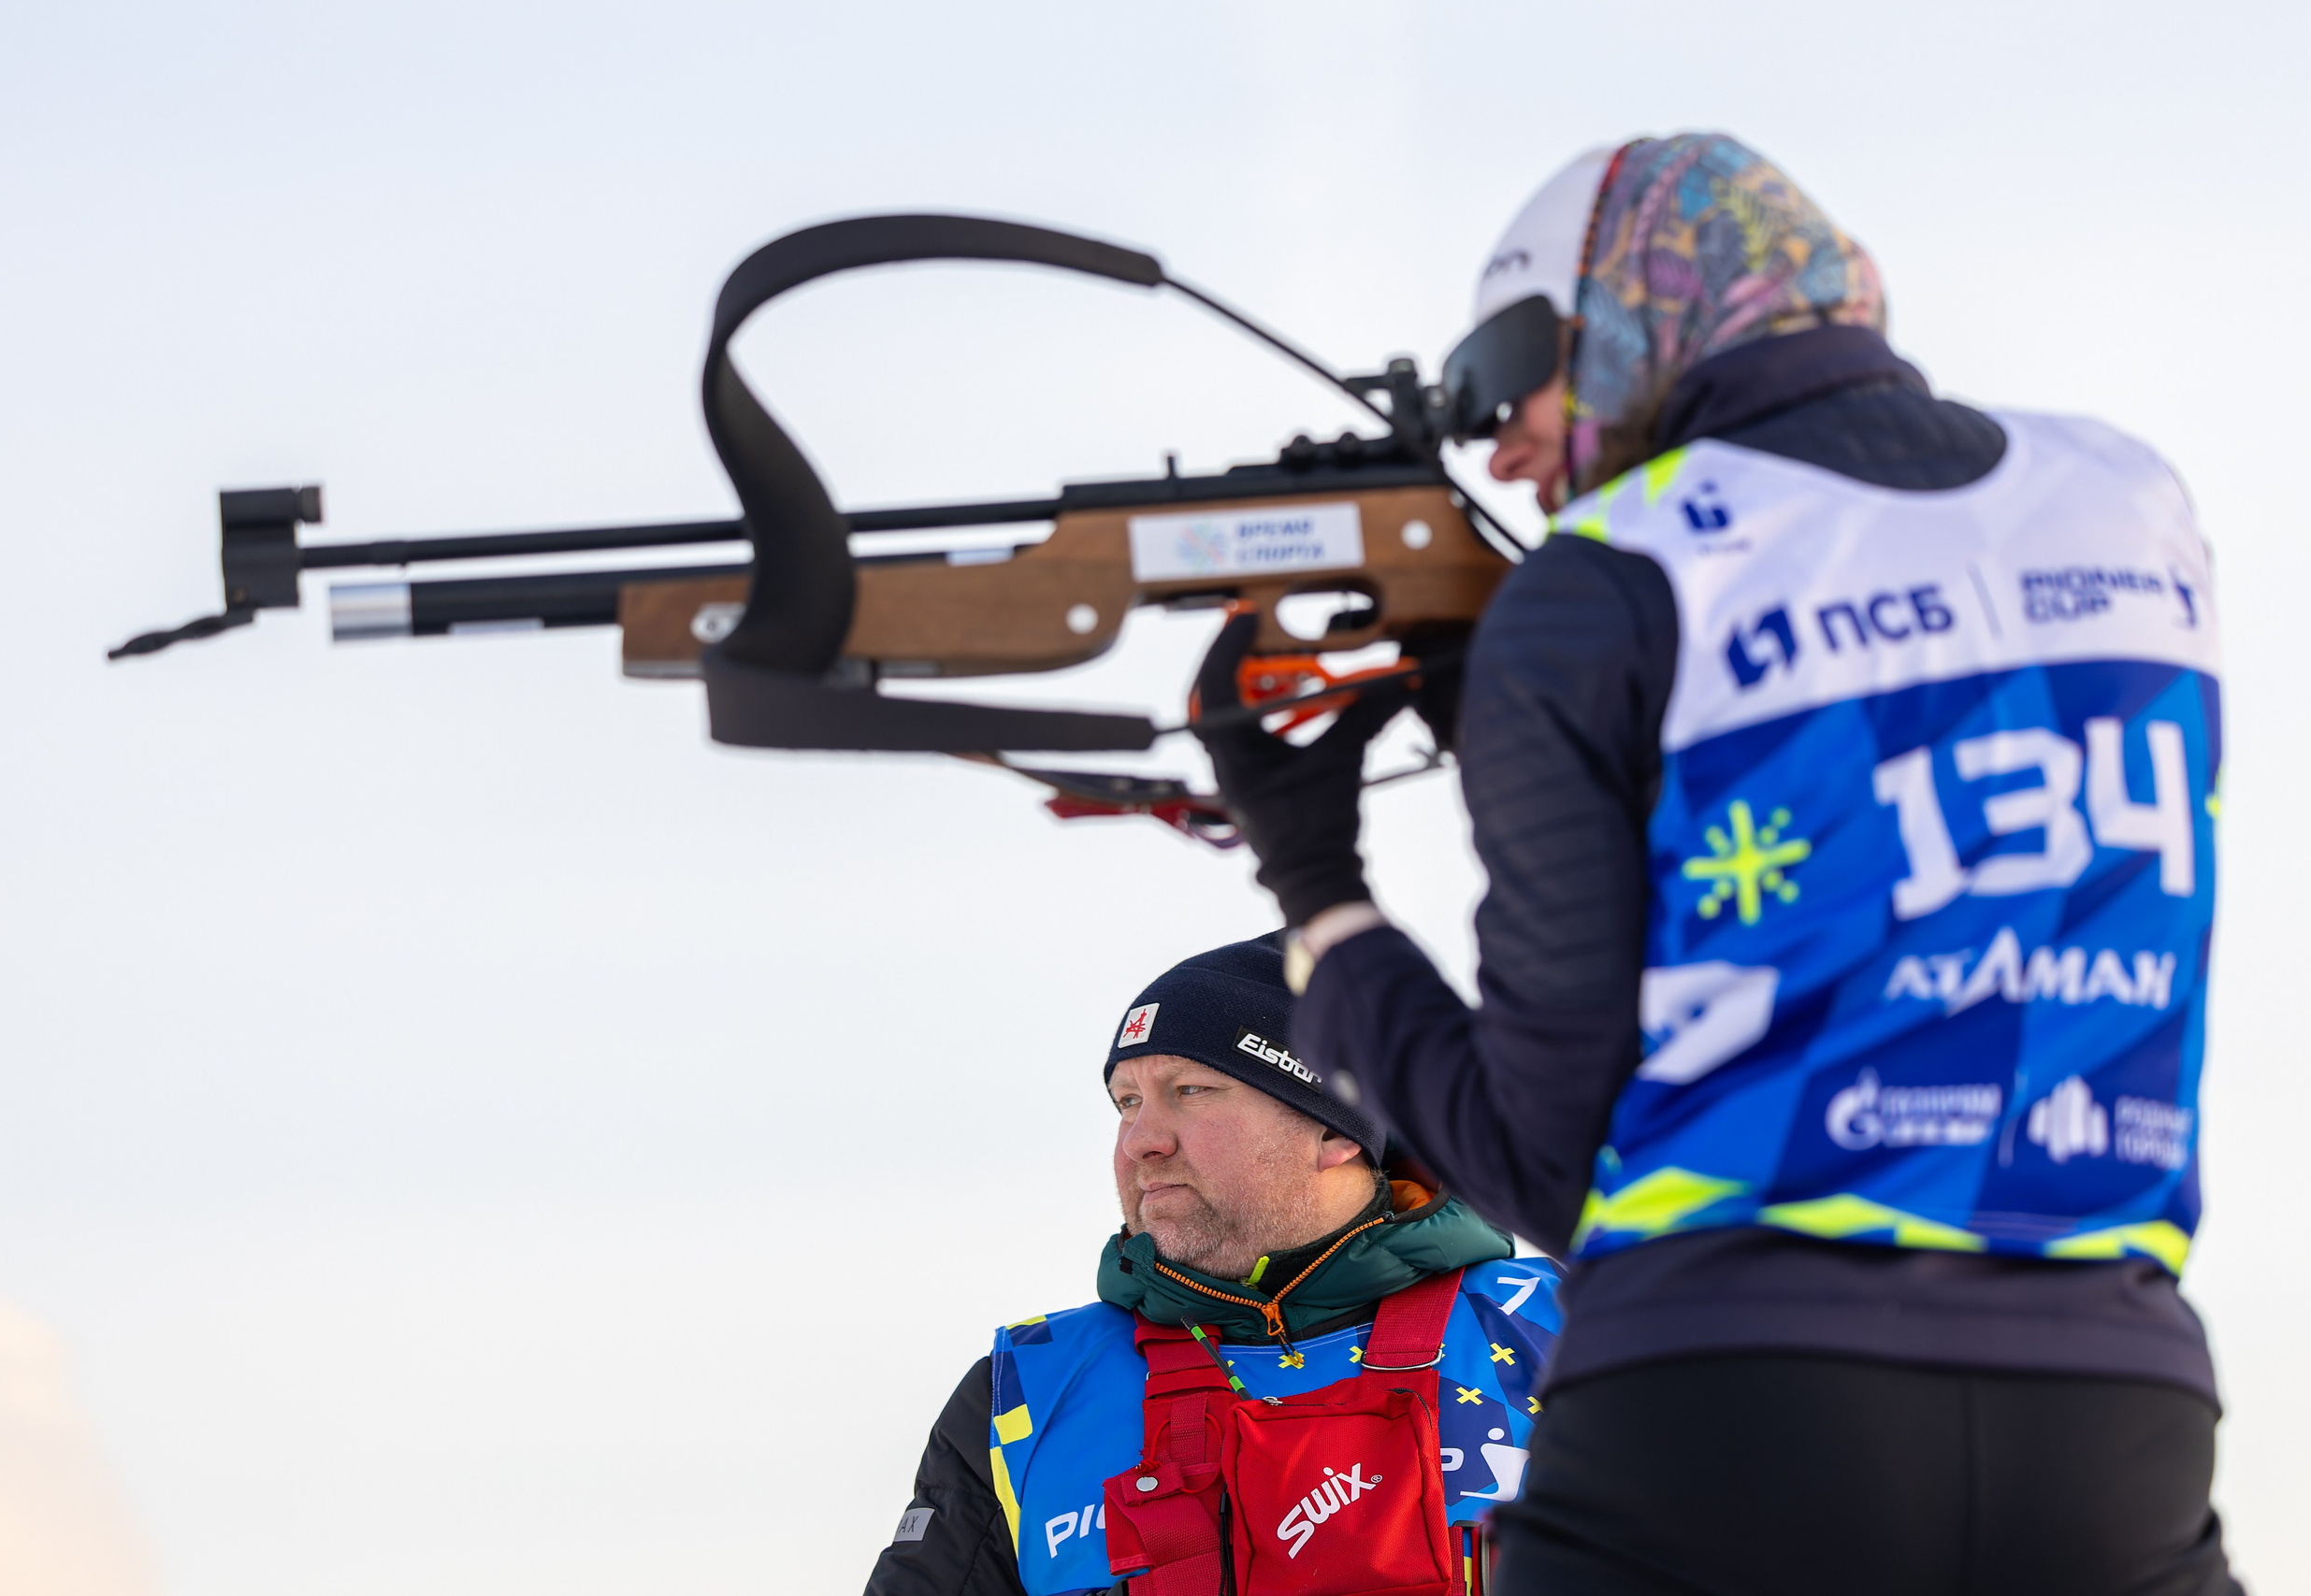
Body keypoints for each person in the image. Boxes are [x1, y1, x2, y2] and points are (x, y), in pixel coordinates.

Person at [1195, 134, 2239, 1594]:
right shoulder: (2130, 505)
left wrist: (1313, 876)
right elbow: (1882, 813)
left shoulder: (1611, 576)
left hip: (1722, 1401)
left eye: (1511, 371)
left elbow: (1541, 1163)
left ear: (1637, 315)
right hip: (2114, 1411)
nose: (1498, 444)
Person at [864, 933, 1561, 1596]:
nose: (1141, 1141)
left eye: (1190, 1090)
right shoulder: (1027, 1390)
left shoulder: (1563, 1331)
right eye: (1127, 1101)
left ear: (1333, 1127)